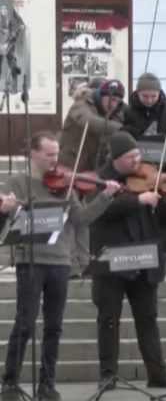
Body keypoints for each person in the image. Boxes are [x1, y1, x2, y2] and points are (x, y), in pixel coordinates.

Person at [0, 132, 122, 401]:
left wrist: (105, 196)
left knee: (54, 326)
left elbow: (81, 219)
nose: (55, 160)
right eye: (49, 155)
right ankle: (9, 382)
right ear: (33, 154)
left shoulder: (66, 185)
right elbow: (8, 216)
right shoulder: (17, 182)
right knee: (25, 322)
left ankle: (47, 384)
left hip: (60, 262)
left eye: (57, 154)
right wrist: (5, 208)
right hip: (30, 260)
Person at [90, 132, 166, 391]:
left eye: (138, 155)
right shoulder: (101, 180)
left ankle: (158, 373)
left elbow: (164, 218)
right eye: (131, 157)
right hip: (112, 261)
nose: (137, 161)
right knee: (109, 319)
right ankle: (108, 374)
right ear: (115, 158)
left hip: (143, 258)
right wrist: (137, 200)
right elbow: (101, 211)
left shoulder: (147, 180)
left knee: (148, 319)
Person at [121, 72, 166, 277]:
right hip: (140, 168)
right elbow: (125, 135)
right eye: (145, 96)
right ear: (138, 93)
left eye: (153, 96)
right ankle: (141, 255)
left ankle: (165, 257)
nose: (150, 100)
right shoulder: (128, 112)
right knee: (140, 209)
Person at [58, 78, 126, 277]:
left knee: (84, 218)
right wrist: (121, 129)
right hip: (69, 167)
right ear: (100, 95)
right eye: (110, 99)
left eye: (117, 101)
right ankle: (70, 263)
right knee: (69, 217)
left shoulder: (112, 112)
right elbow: (89, 122)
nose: (113, 104)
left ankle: (83, 262)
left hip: (90, 172)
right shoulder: (81, 105)